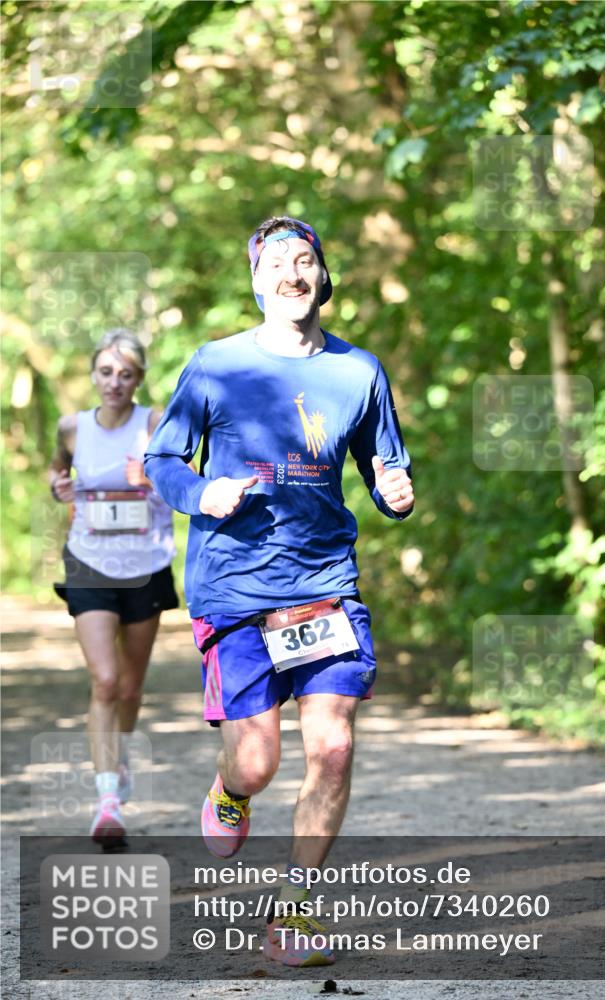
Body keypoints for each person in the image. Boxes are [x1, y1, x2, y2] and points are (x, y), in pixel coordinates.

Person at [144, 217, 414, 966]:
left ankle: (293, 914)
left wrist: (394, 490)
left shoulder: (358, 372)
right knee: (257, 763)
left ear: (322, 277)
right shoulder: (215, 365)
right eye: (277, 264)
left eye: (306, 261)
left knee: (330, 747)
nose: (292, 274)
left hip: (325, 583)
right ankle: (229, 790)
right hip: (235, 588)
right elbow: (162, 458)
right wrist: (202, 495)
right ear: (256, 281)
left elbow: (386, 469)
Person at [49, 329, 178, 847]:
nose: (115, 383)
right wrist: (58, 487)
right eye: (106, 372)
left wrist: (153, 479)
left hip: (145, 567)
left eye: (126, 374)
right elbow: (58, 472)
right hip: (89, 565)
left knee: (129, 688)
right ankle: (107, 801)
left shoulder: (155, 424)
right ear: (94, 375)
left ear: (138, 379)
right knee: (104, 680)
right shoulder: (72, 427)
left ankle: (116, 759)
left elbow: (184, 482)